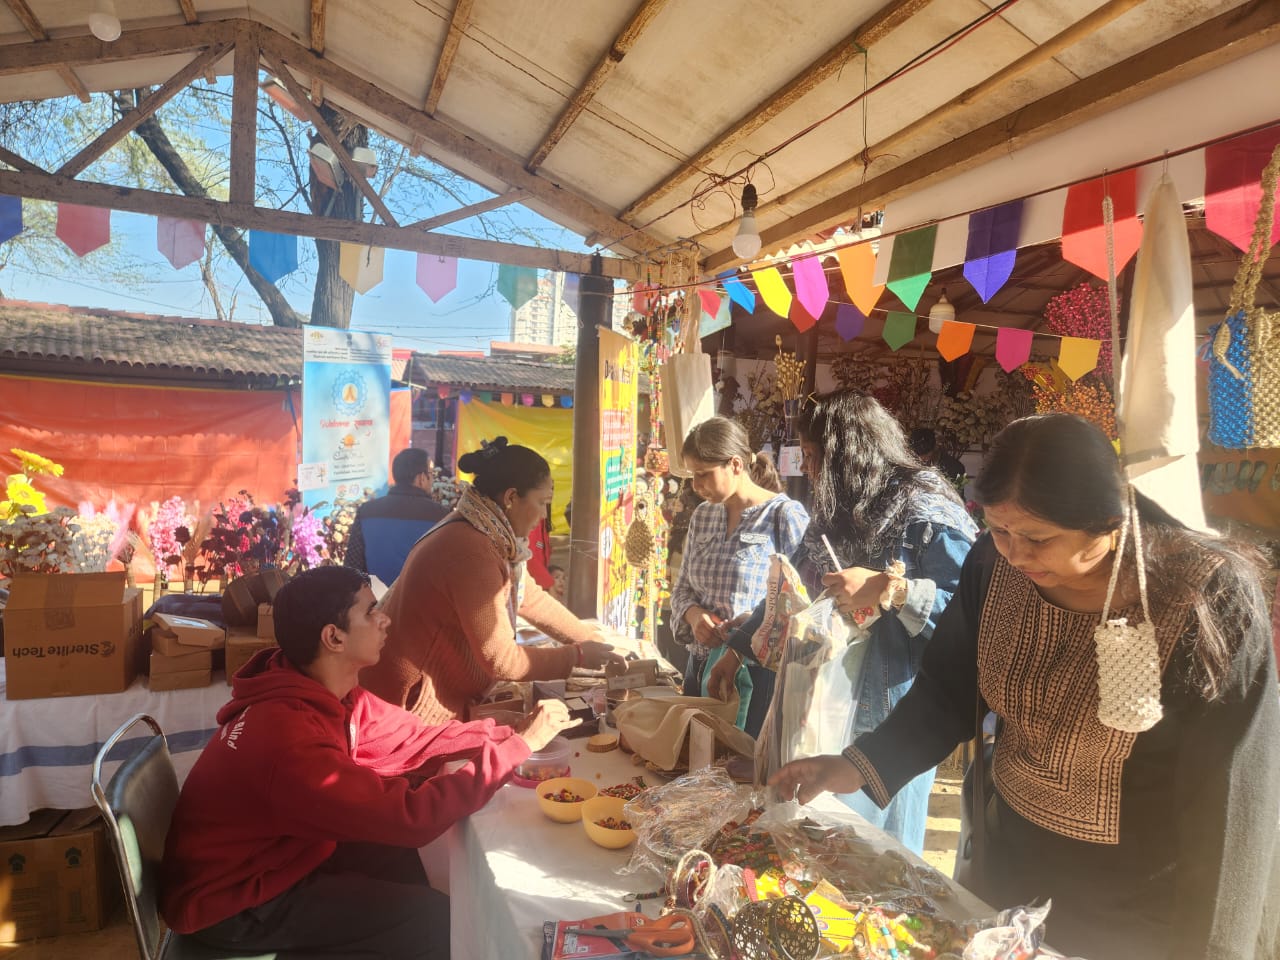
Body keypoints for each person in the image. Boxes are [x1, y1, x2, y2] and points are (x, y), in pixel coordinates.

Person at [770, 414, 1280, 959]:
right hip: (1008, 866)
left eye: (1038, 537)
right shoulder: (993, 565)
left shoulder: (1207, 596)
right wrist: (851, 765)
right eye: (998, 529)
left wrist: (1218, 948)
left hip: (1141, 898)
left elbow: (1234, 793)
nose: (1015, 552)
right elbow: (948, 689)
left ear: (1110, 519)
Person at [161, 565, 579, 958]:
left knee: (400, 864)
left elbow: (414, 738)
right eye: (372, 610)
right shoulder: (288, 740)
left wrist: (514, 735)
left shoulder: (323, 692)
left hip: (279, 857)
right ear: (334, 638)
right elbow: (409, 817)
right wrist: (514, 751)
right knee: (434, 921)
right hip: (236, 903)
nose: (386, 620)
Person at [710, 391, 977, 852]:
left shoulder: (926, 512)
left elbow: (970, 611)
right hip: (823, 706)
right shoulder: (838, 513)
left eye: (815, 458)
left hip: (895, 720)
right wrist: (736, 650)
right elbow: (796, 585)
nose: (811, 471)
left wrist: (891, 589)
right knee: (820, 850)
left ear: (847, 455)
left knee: (879, 857)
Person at [362, 436, 620, 724]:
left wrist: (595, 642)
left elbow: (529, 598)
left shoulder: (483, 532)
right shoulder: (471, 549)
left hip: (417, 691)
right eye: (543, 502)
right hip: (405, 704)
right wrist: (578, 656)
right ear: (510, 498)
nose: (544, 516)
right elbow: (502, 660)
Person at [669, 417, 809, 731]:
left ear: (735, 464)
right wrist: (693, 616)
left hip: (756, 673)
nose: (696, 485)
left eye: (703, 474)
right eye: (693, 475)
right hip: (701, 664)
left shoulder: (784, 516)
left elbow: (800, 605)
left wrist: (739, 646)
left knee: (742, 767)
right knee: (696, 766)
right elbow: (682, 588)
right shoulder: (703, 516)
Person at [344, 447, 449, 585]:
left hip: (378, 601)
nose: (432, 480)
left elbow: (352, 567)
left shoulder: (367, 511)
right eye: (431, 474)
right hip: (424, 601)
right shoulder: (441, 516)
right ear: (421, 478)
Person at [909, 426, 967, 490]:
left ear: (936, 446)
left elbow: (958, 496)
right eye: (918, 456)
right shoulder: (908, 467)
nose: (923, 459)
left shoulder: (956, 468)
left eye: (927, 456)